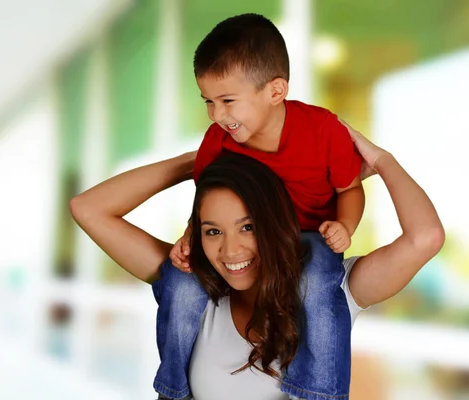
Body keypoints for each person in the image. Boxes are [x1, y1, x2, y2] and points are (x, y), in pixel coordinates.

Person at [70, 124, 444, 400]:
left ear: (277, 223)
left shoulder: (331, 292)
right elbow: (87, 209)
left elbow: (425, 238)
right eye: (212, 231)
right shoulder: (191, 290)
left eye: (247, 227)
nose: (231, 251)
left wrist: (382, 161)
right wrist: (196, 163)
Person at [163, 13, 364, 399]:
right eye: (208, 101)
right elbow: (204, 203)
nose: (217, 115)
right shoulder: (217, 142)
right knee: (177, 282)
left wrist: (346, 225)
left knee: (318, 281)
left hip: (308, 239)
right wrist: (190, 238)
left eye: (227, 101)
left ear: (275, 91)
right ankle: (172, 388)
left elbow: (351, 189)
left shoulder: (324, 131)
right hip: (252, 242)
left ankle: (320, 391)